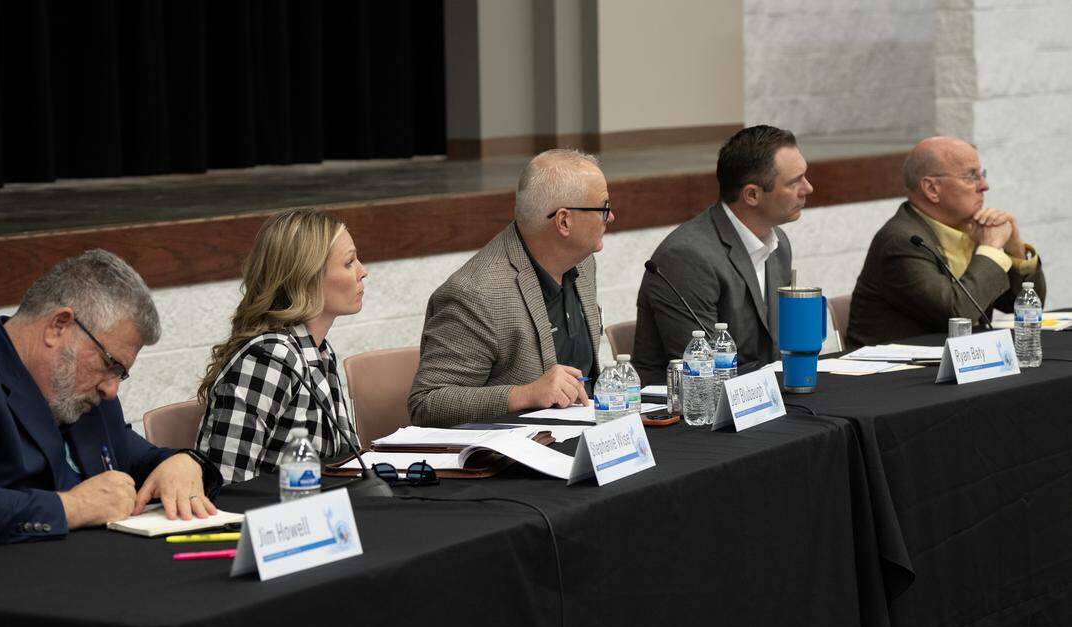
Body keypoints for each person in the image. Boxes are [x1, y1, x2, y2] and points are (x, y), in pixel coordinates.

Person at [0, 250, 220, 550]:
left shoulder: (84, 390)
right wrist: (71, 507)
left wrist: (183, 462)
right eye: (110, 364)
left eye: (120, 373)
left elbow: (136, 458)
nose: (111, 390)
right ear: (59, 326)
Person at [408, 149, 609, 427]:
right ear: (564, 221)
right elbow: (428, 403)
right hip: (514, 458)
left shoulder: (583, 263)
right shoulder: (476, 293)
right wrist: (524, 395)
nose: (610, 218)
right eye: (603, 208)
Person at [632, 125, 811, 384]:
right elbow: (702, 371)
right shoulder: (687, 257)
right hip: (687, 413)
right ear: (752, 195)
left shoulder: (779, 244)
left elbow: (772, 351)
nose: (809, 188)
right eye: (795, 182)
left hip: (757, 399)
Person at [196, 209, 364, 483]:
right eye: (349, 263)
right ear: (306, 278)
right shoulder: (269, 358)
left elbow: (342, 459)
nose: (363, 271)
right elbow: (227, 483)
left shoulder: (319, 350)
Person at [847, 137, 1046, 346]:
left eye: (982, 175)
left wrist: (1015, 250)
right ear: (932, 189)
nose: (984, 186)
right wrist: (991, 250)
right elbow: (956, 315)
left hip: (960, 364)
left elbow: (1025, 307)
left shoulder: (971, 230)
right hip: (895, 373)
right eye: (971, 177)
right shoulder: (902, 241)